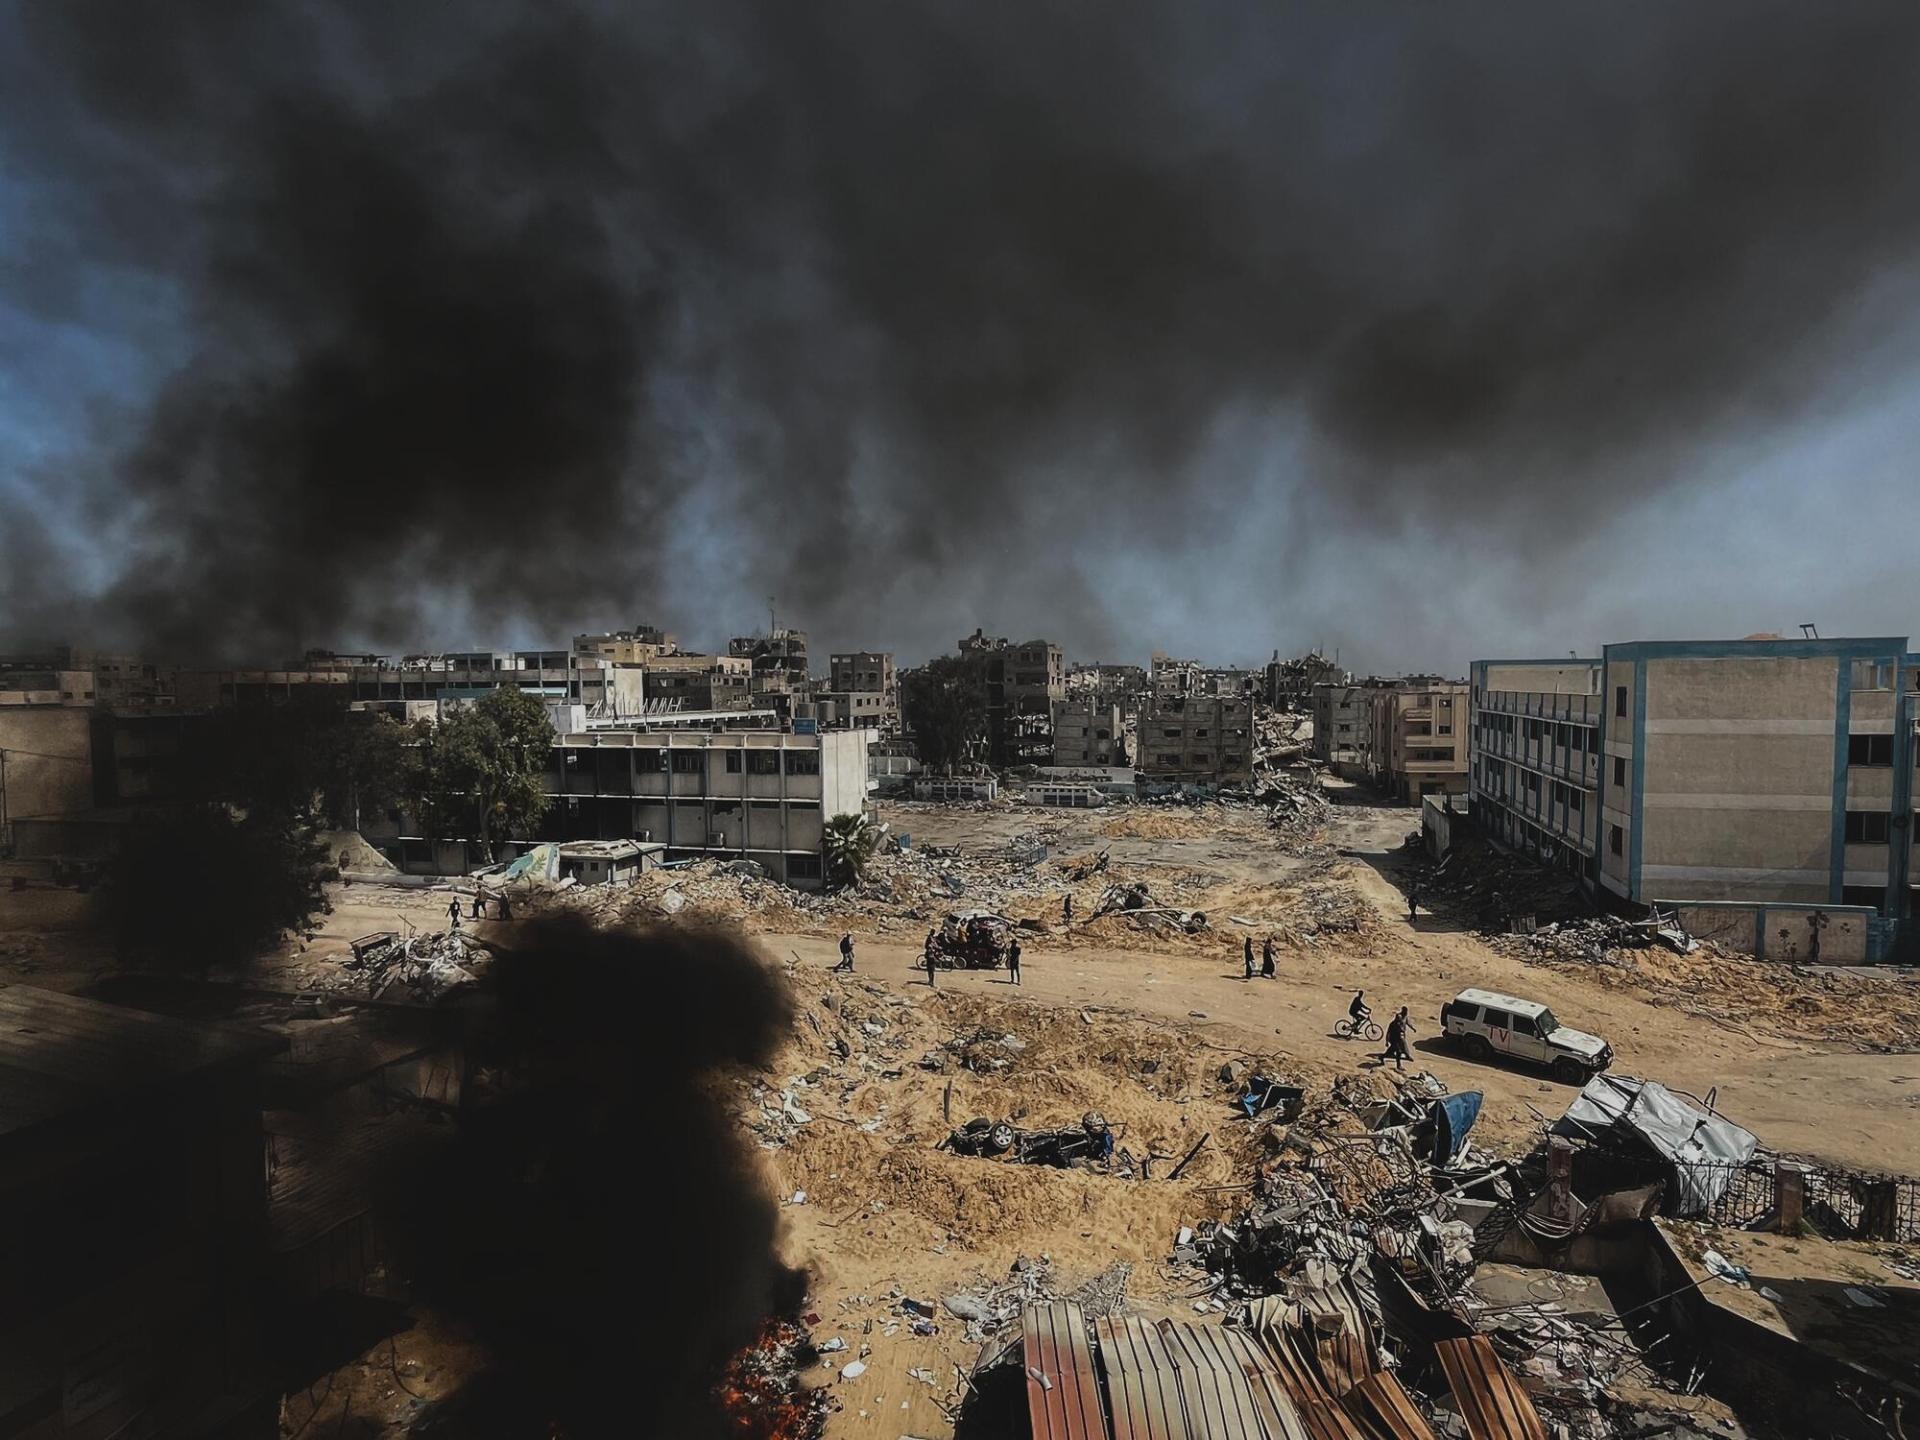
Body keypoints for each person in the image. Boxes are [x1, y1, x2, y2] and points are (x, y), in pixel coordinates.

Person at [1382, 1006, 1413, 1071]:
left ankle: (1382, 1057)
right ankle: (1398, 1066)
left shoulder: (1400, 1024)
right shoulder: (1393, 1024)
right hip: (1394, 1040)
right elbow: (1388, 1033)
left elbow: (1403, 1029)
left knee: (1393, 1051)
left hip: (1399, 1040)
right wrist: (1387, 1042)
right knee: (1398, 1052)